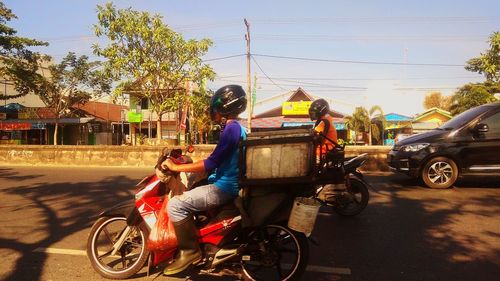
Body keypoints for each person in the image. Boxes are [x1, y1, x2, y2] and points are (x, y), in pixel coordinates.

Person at [160, 84, 247, 276]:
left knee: (175, 205)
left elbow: (211, 163)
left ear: (224, 106)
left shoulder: (231, 129)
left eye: (215, 106)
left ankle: (190, 252)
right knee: (193, 187)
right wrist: (189, 161)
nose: (212, 111)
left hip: (223, 187)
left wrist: (177, 167)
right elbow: (218, 158)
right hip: (226, 182)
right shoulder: (236, 128)